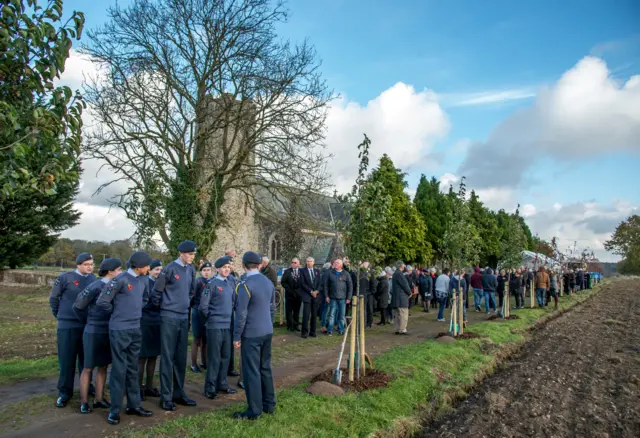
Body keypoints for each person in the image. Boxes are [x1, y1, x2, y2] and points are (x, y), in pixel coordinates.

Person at [97, 251, 153, 425]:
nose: (149, 268)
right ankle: (114, 410)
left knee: (133, 368)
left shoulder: (144, 280)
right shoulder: (120, 279)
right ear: (138, 266)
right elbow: (102, 302)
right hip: (119, 329)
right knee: (119, 369)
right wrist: (119, 314)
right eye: (147, 265)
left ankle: (134, 405)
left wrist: (133, 312)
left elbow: (145, 299)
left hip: (135, 328)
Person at [152, 240, 198, 411]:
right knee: (167, 357)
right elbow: (157, 292)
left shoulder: (191, 270)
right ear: (181, 253)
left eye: (194, 254)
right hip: (169, 317)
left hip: (183, 317)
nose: (192, 257)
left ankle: (178, 393)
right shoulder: (170, 268)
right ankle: (165, 397)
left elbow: (191, 292)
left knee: (180, 357)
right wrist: (166, 307)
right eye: (190, 254)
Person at [73, 258, 121, 413]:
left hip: (108, 330)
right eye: (119, 269)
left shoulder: (116, 286)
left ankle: (99, 399)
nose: (120, 272)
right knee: (88, 367)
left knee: (103, 366)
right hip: (93, 330)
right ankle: (84, 401)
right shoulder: (95, 286)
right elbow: (78, 306)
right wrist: (88, 321)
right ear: (110, 271)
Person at [232, 251, 277, 420]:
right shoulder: (268, 282)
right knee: (265, 367)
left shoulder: (244, 284)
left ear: (243, 265)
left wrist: (237, 336)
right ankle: (269, 403)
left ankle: (254, 410)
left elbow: (241, 313)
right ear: (259, 265)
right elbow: (272, 307)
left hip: (251, 333)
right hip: (267, 330)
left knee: (251, 371)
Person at [49, 252, 97, 408]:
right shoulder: (65, 278)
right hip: (67, 325)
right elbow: (53, 299)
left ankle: (87, 387)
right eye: (86, 264)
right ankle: (64, 392)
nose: (90, 267)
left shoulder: (92, 279)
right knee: (67, 360)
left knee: (86, 360)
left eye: (91, 264)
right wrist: (61, 316)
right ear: (78, 265)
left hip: (86, 325)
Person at [199, 256, 238, 399]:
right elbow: (203, 307)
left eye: (228, 267)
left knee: (226, 356)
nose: (227, 269)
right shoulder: (212, 284)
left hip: (227, 325)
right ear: (217, 269)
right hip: (215, 326)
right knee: (214, 357)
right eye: (224, 267)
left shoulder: (230, 283)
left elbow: (234, 302)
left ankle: (222, 384)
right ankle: (210, 387)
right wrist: (213, 318)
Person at [139, 259, 162, 400]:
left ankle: (149, 386)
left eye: (161, 269)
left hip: (157, 321)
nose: (159, 272)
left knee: (153, 356)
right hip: (145, 321)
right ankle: (138, 387)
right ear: (150, 270)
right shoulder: (144, 283)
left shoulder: (161, 283)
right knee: (142, 357)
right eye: (156, 269)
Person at [191, 262, 213, 373]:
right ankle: (193, 364)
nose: (206, 272)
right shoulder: (198, 282)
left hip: (206, 313)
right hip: (197, 312)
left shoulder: (212, 281)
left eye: (208, 270)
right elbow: (192, 296)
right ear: (201, 272)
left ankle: (205, 362)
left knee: (206, 339)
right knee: (197, 339)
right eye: (204, 270)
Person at [324, 258, 353, 336]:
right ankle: (330, 330)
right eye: (335, 263)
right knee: (331, 315)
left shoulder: (346, 274)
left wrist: (348, 298)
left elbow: (350, 286)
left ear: (341, 265)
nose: (335, 264)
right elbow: (326, 286)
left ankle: (341, 330)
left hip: (343, 299)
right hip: (332, 298)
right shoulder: (330, 273)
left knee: (341, 315)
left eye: (337, 263)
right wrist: (326, 296)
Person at [300, 257, 321, 338]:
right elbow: (302, 283)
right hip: (307, 295)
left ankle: (312, 331)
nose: (309, 263)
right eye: (307, 261)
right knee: (306, 314)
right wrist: (311, 291)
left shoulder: (317, 271)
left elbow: (320, 283)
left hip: (315, 296)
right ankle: (304, 332)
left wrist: (317, 291)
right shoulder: (302, 271)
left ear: (314, 262)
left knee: (314, 314)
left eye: (311, 261)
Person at [281, 258, 302, 332]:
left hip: (299, 295)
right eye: (292, 262)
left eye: (295, 262)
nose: (293, 263)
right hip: (290, 294)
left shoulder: (301, 271)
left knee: (297, 311)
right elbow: (283, 282)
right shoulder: (287, 272)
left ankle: (296, 325)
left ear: (298, 264)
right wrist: (289, 289)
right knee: (289, 311)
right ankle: (290, 326)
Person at [391, 261, 411, 335]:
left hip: (396, 297)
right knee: (403, 313)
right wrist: (409, 292)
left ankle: (397, 328)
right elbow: (405, 284)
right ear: (401, 266)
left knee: (398, 314)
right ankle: (402, 329)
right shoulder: (399, 274)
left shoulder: (395, 274)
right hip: (401, 297)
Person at [358, 261, 376, 328]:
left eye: (365, 265)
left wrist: (371, 292)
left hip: (369, 294)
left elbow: (373, 284)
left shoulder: (370, 274)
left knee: (370, 309)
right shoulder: (360, 273)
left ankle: (369, 323)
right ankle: (364, 323)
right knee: (364, 308)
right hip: (363, 293)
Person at [318, 262, 332, 332]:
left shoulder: (321, 272)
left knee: (324, 309)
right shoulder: (327, 273)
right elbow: (325, 284)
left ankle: (324, 324)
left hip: (322, 293)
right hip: (326, 293)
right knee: (327, 310)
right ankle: (324, 325)